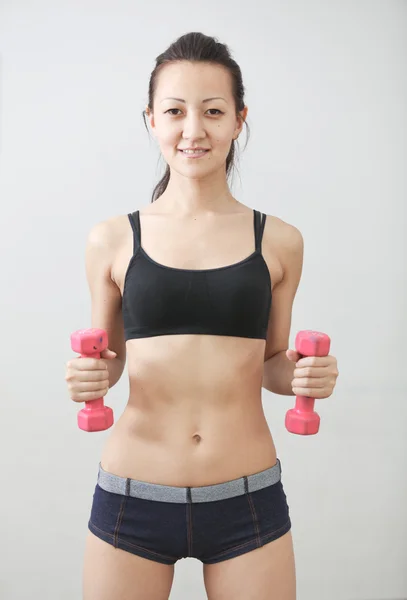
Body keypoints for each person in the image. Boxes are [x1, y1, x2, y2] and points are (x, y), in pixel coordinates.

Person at [65, 31, 339, 600]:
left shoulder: (280, 241)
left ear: (239, 119)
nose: (194, 130)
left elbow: (270, 363)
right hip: (132, 497)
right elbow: (107, 363)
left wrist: (306, 376)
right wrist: (91, 376)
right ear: (151, 120)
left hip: (247, 499)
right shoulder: (113, 239)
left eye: (213, 111)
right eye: (175, 111)